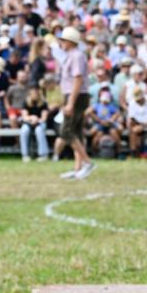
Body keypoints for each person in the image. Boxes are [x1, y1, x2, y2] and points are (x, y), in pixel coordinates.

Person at [57, 26, 95, 179]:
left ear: (70, 41)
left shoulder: (76, 56)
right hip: (74, 95)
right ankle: (78, 168)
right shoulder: (73, 55)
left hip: (76, 96)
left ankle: (87, 162)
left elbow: (78, 79)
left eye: (63, 40)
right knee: (76, 132)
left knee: (66, 131)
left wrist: (70, 103)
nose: (61, 43)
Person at [18, 85, 50, 162]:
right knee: (24, 130)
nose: (35, 94)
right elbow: (25, 117)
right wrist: (32, 118)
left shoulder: (44, 103)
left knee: (39, 130)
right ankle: (25, 155)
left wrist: (37, 120)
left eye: (36, 92)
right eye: (33, 92)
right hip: (29, 122)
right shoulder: (25, 102)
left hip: (40, 122)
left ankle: (43, 154)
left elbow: (44, 118)